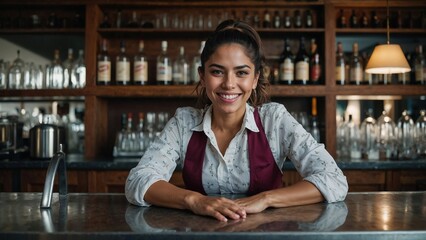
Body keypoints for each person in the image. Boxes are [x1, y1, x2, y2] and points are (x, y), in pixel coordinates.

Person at [125, 19, 348, 222]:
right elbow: (139, 180)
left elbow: (334, 179)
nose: (229, 84)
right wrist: (194, 200)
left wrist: (266, 198)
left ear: (255, 78)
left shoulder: (274, 119)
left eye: (241, 73)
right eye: (217, 72)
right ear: (202, 76)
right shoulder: (184, 122)